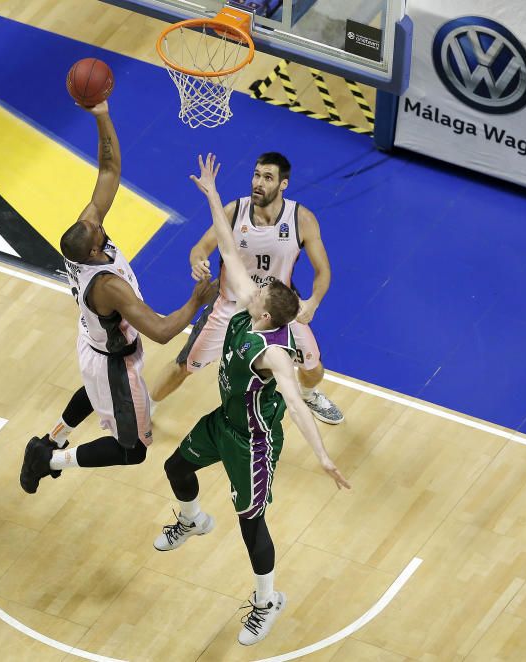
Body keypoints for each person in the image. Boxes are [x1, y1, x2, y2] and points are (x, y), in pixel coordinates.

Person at [154, 153, 350, 646]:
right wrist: (214, 196)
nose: (249, 290)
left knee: (250, 524)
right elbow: (226, 243)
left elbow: (298, 406)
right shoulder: (246, 303)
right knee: (176, 469)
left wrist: (324, 458)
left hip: (254, 443)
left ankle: (267, 601)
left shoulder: (275, 354)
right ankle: (193, 520)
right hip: (224, 420)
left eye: (259, 296)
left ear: (265, 314)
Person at [19, 100, 217, 494]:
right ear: (93, 252)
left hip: (93, 342)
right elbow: (161, 331)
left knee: (95, 395)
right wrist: (197, 301)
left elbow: (110, 170)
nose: (100, 226)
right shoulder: (109, 287)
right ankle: (51, 459)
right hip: (112, 363)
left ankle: (53, 437)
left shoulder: (83, 234)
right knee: (134, 449)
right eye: (97, 233)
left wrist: (102, 114)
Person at [151, 152, 344, 425]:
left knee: (313, 368)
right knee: (184, 366)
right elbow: (200, 248)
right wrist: (197, 263)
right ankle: (147, 406)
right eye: (256, 175)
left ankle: (309, 394)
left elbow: (323, 271)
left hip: (279, 306)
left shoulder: (302, 219)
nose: (258, 183)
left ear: (283, 184)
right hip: (230, 307)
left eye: (267, 178)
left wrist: (313, 302)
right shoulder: (234, 212)